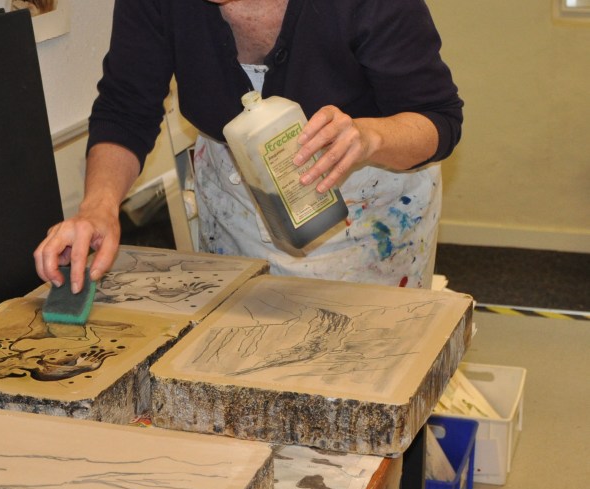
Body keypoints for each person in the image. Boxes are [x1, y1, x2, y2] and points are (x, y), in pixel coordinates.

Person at [34, 0, 463, 292]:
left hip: (368, 207)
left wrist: (370, 137)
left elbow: (438, 118)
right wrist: (99, 207)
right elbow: (127, 108)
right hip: (235, 202)